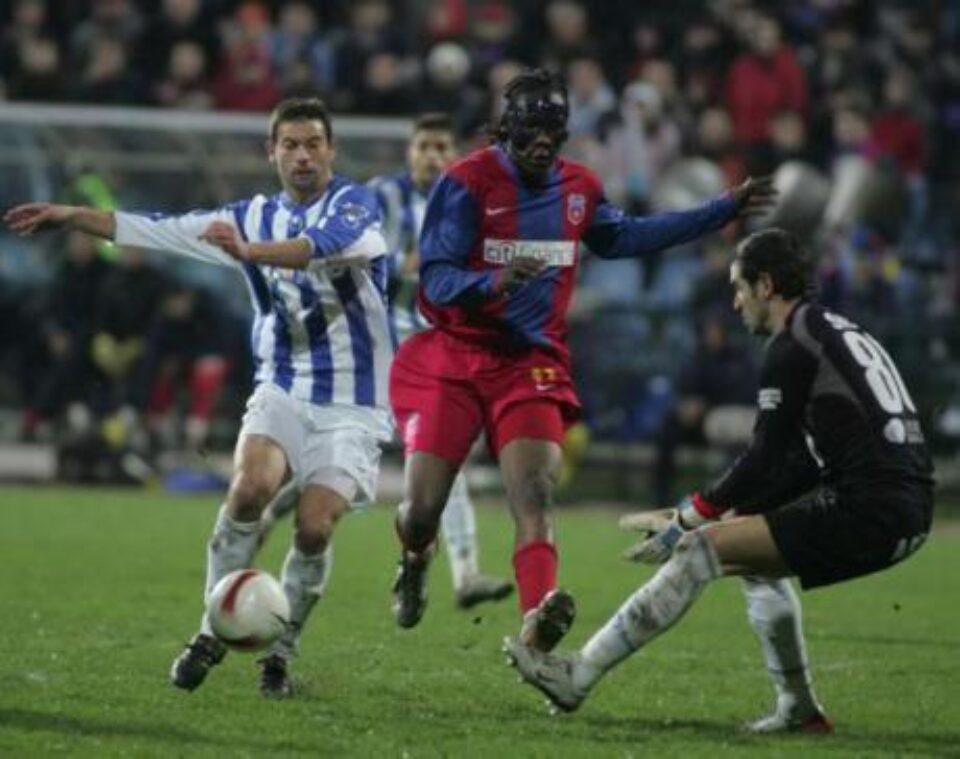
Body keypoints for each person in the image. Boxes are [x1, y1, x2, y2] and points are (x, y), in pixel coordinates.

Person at [4, 97, 394, 699]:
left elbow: (318, 247)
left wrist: (247, 253)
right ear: (272, 153)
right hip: (285, 384)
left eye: (314, 143)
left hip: (356, 401)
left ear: (331, 151)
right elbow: (157, 227)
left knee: (315, 527)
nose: (303, 155)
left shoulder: (355, 205)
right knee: (249, 489)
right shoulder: (247, 216)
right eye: (290, 144)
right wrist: (72, 215)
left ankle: (279, 655)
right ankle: (211, 630)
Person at [389, 68, 775, 652]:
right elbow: (436, 281)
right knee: (419, 511)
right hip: (457, 356)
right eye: (532, 131)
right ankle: (416, 558)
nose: (544, 143)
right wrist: (494, 282)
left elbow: (628, 237)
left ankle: (536, 625)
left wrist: (720, 210)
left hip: (529, 362)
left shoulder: (578, 189)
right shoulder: (465, 183)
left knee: (537, 491)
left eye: (554, 130)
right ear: (505, 129)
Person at [504, 228, 934, 731]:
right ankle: (797, 709)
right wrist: (727, 512)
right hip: (906, 508)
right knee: (746, 551)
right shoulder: (832, 330)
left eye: (739, 287)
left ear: (766, 285)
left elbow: (764, 455)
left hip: (872, 508)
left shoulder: (791, 343)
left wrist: (690, 516)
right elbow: (802, 463)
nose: (735, 302)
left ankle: (577, 676)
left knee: (697, 551)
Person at [259, 112, 514, 609]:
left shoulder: (470, 203)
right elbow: (358, 253)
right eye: (425, 146)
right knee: (377, 454)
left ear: (454, 153)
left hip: (439, 345)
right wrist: (408, 266)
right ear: (410, 152)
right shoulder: (380, 197)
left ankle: (461, 574)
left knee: (434, 456)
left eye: (442, 147)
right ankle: (454, 572)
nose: (433, 156)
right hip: (378, 345)